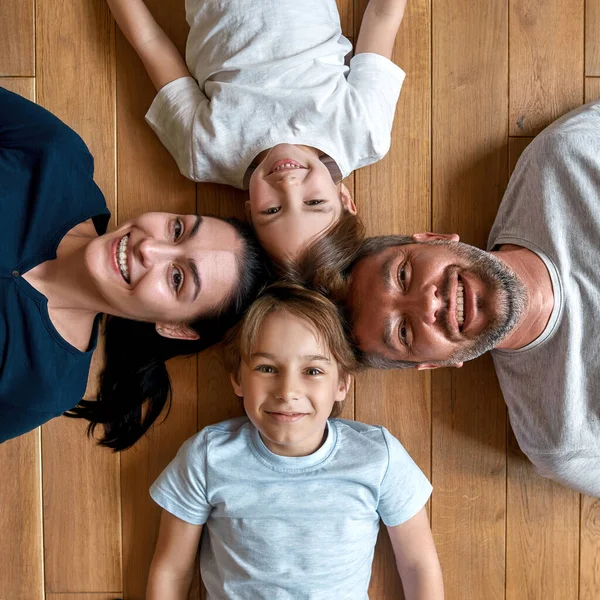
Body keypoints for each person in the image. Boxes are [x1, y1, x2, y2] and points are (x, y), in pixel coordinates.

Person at [338, 101, 600, 497]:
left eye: (403, 274)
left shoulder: (567, 159)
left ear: (434, 239)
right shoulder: (563, 438)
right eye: (404, 332)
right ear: (433, 363)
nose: (427, 305)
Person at [0, 87, 266, 449]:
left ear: (175, 328)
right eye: (177, 229)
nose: (149, 247)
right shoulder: (56, 154)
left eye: (177, 278)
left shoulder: (44, 387)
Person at [146, 283, 444, 599]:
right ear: (238, 379)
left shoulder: (379, 458)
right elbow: (171, 570)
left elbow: (418, 564)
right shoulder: (206, 457)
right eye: (267, 368)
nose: (287, 391)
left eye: (312, 371)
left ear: (342, 384)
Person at [105, 0, 407, 262]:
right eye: (314, 203)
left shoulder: (207, 151)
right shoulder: (362, 132)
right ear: (345, 200)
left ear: (250, 212)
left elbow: (149, 42)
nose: (288, 184)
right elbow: (382, 17)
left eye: (273, 210)